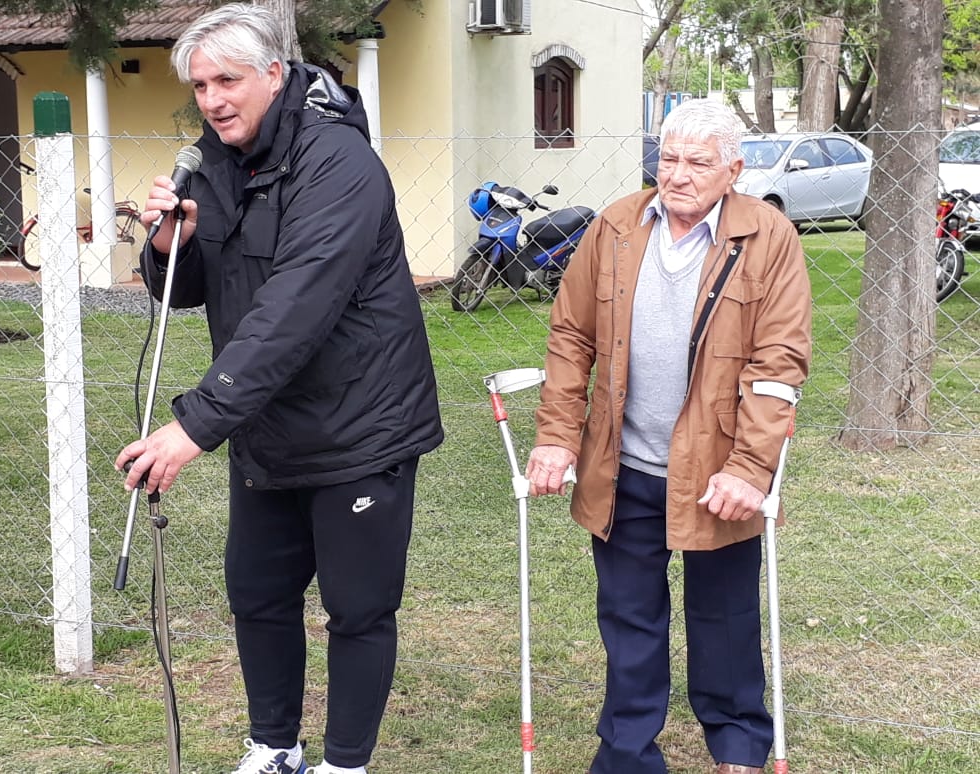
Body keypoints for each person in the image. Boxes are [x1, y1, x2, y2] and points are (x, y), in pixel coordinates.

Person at [113, 4, 443, 774]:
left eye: (226, 81)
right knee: (258, 595)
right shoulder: (214, 161)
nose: (212, 99)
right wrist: (168, 241)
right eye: (200, 86)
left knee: (357, 608)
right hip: (267, 426)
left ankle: (344, 763)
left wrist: (195, 425)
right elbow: (187, 288)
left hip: (359, 426)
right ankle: (275, 747)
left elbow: (295, 308)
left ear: (272, 73)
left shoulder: (339, 161)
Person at [525, 99, 812, 774]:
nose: (677, 175)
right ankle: (627, 754)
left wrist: (751, 468)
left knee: (725, 616)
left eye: (698, 163)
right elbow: (571, 335)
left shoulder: (767, 235)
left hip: (718, 469)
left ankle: (737, 745)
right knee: (629, 620)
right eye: (669, 158)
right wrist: (558, 435)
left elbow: (779, 363)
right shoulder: (616, 225)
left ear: (733, 170)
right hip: (622, 465)